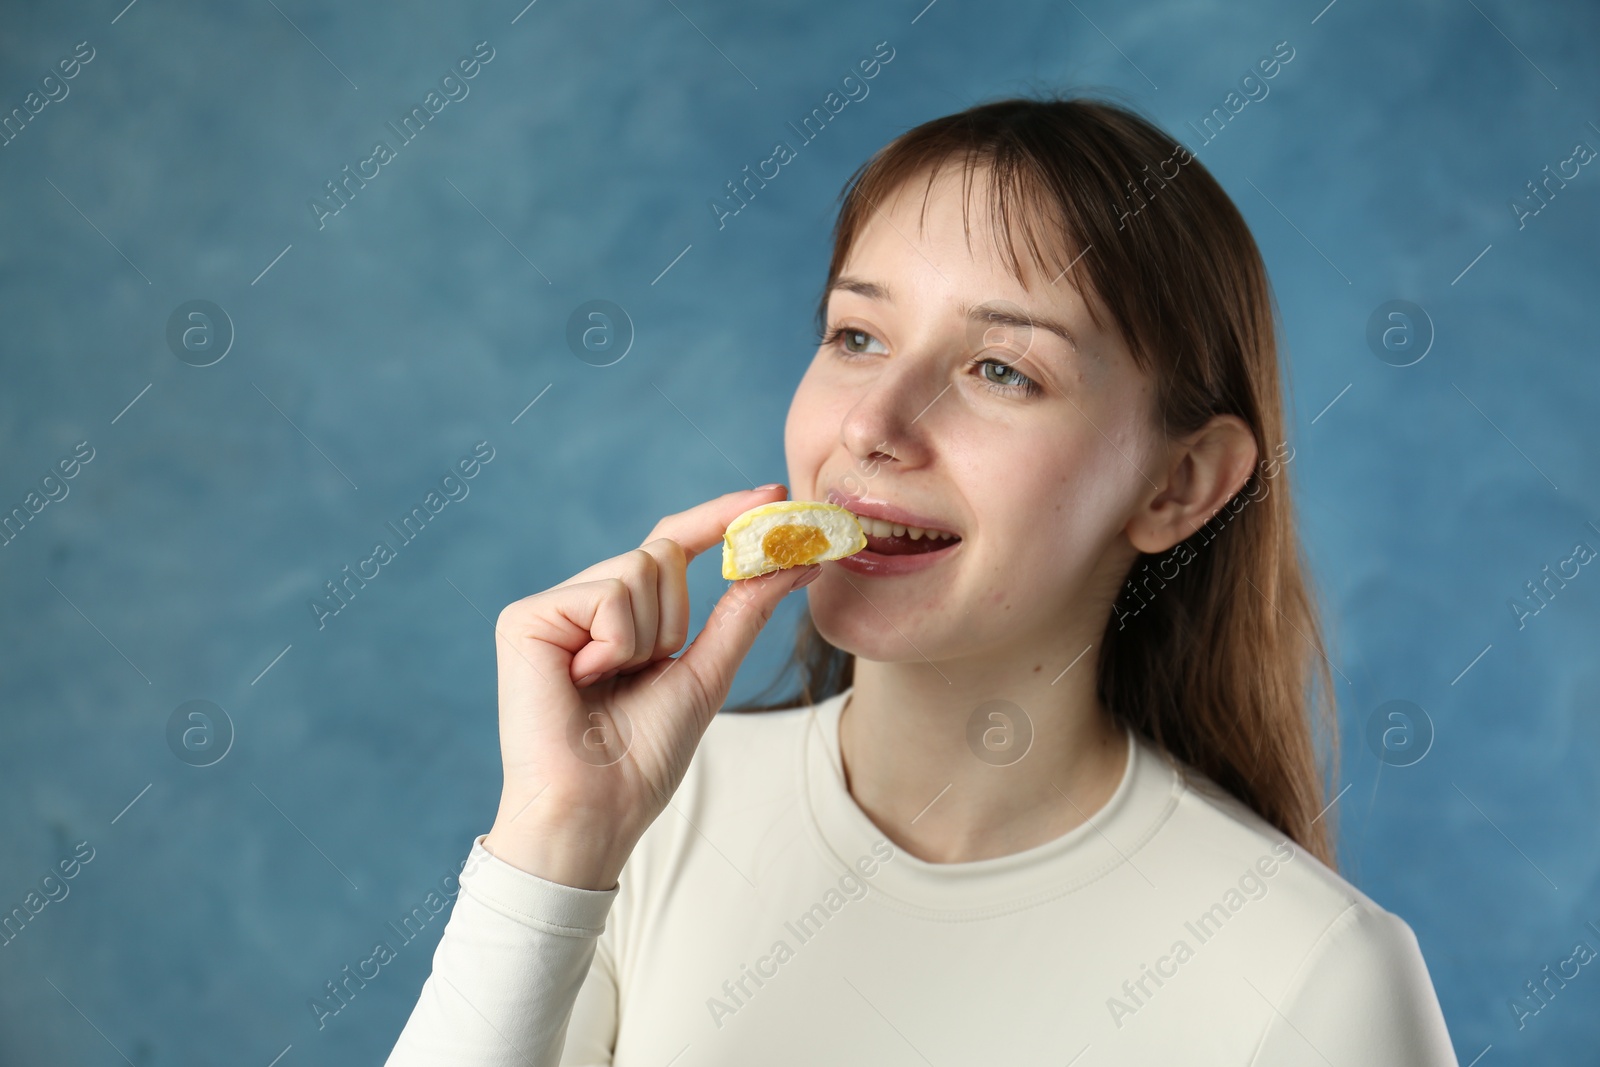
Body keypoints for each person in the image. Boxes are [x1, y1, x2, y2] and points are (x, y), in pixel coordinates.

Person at [383, 93, 1459, 1065]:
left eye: (1001, 369)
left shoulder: (1322, 974)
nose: (872, 423)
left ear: (1178, 483)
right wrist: (556, 837)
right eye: (856, 335)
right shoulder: (647, 815)